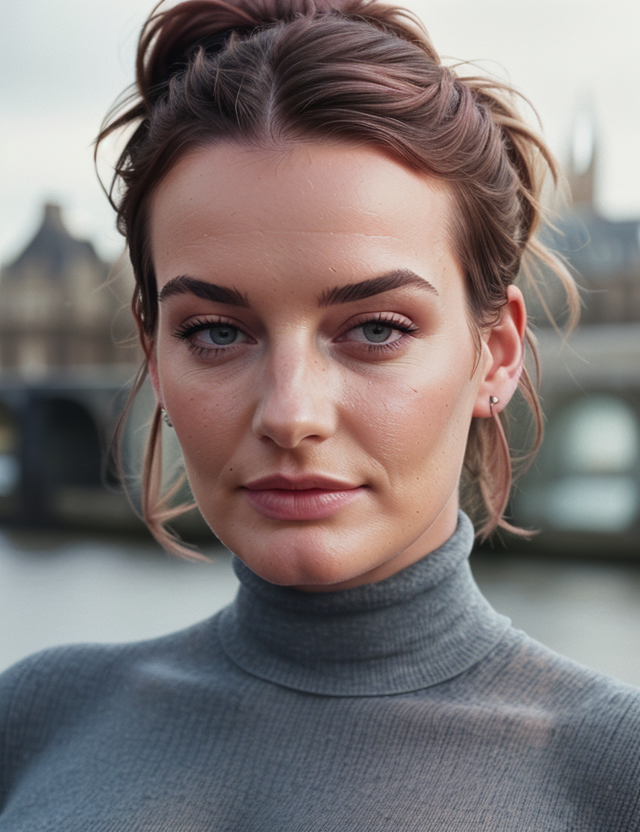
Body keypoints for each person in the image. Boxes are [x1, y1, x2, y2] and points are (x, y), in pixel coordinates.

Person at [1, 0, 639, 827]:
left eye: (376, 329)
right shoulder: (34, 720)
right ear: (153, 353)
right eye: (217, 332)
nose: (291, 413)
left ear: (499, 353)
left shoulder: (612, 776)